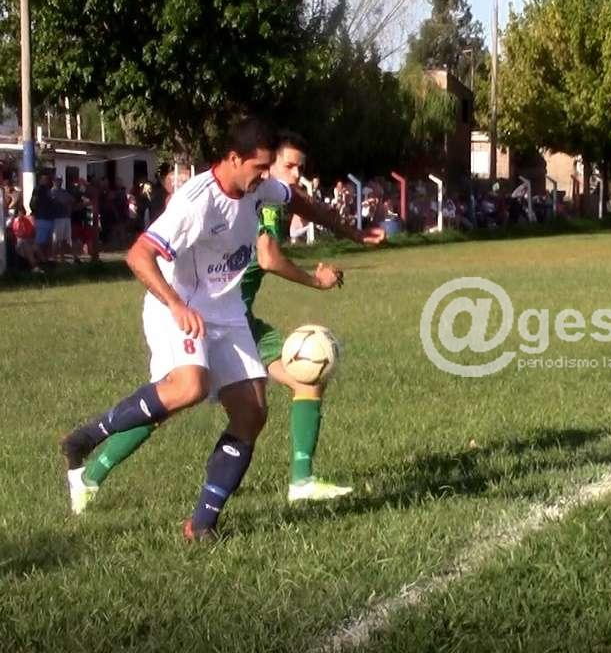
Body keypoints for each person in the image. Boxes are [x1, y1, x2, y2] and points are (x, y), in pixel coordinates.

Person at [59, 118, 384, 540]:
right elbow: (138, 255)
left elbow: (301, 202)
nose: (265, 177)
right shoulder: (196, 202)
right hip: (179, 306)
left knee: (252, 413)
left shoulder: (258, 187)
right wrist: (176, 305)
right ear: (233, 158)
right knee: (189, 387)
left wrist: (354, 233)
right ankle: (87, 437)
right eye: (259, 168)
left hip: (227, 312)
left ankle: (202, 525)